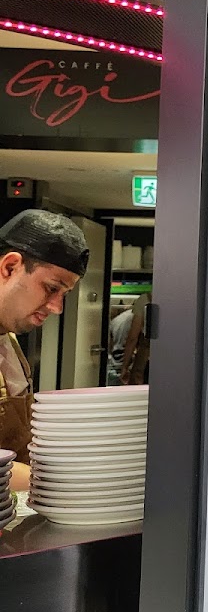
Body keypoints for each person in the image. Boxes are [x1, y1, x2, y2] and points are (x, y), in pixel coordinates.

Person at [0, 210, 90, 493]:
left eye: (64, 295)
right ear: (10, 267)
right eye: (51, 288)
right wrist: (67, 484)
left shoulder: (9, 340)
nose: (57, 307)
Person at [107, 305, 134, 386]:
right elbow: (131, 340)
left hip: (115, 360)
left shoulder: (117, 319)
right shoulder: (133, 318)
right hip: (124, 362)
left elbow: (111, 344)